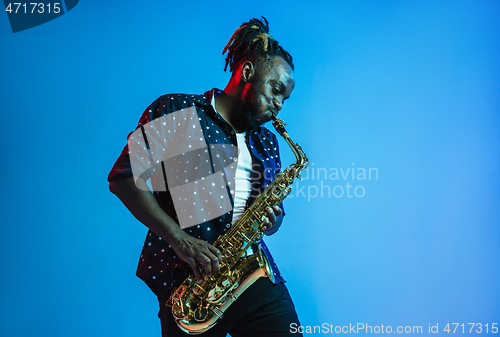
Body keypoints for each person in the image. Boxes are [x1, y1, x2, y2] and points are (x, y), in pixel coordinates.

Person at [108, 17, 302, 337]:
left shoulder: (267, 142)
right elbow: (124, 178)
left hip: (252, 275)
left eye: (286, 99)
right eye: (276, 90)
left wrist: (273, 218)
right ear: (248, 71)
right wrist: (180, 240)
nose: (280, 104)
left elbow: (268, 217)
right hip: (191, 281)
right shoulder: (179, 110)